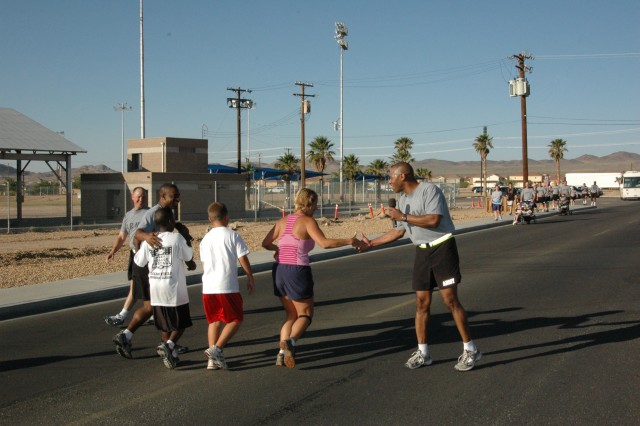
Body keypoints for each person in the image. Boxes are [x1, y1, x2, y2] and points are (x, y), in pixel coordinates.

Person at [358, 162, 482, 372]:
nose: (389, 182)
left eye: (391, 177)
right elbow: (399, 232)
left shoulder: (429, 190)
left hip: (442, 247)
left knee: (449, 300)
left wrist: (403, 216)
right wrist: (371, 243)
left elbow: (434, 220)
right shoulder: (402, 199)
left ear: (403, 176)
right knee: (421, 303)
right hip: (422, 252)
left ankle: (471, 349)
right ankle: (423, 353)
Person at [261, 188, 361, 368]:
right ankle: (291, 342)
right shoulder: (307, 221)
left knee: (290, 314)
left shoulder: (283, 221)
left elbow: (265, 243)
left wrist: (278, 250)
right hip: (297, 270)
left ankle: (280, 354)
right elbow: (324, 243)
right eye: (315, 203)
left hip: (279, 270)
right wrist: (349, 241)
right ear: (310, 202)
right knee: (305, 314)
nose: (317, 207)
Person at [113, 183, 195, 359]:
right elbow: (137, 234)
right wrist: (146, 236)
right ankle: (162, 345)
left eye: (178, 195)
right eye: (175, 195)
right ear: (163, 196)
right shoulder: (153, 213)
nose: (178, 199)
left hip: (149, 261)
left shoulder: (167, 211)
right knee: (153, 306)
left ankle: (133, 337)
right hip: (144, 263)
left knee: (154, 307)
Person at [134, 207, 194, 369]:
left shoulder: (150, 240)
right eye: (173, 218)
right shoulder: (176, 239)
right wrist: (185, 236)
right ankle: (168, 345)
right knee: (181, 323)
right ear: (169, 221)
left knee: (165, 324)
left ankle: (171, 355)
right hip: (173, 289)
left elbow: (139, 262)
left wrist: (141, 241)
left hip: (156, 288)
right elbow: (189, 256)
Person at [200, 202, 255, 370]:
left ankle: (212, 360)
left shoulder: (205, 239)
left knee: (214, 321)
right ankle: (216, 349)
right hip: (227, 286)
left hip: (208, 287)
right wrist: (249, 275)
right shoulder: (232, 235)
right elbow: (242, 258)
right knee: (236, 319)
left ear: (210, 219)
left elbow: (204, 264)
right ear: (227, 217)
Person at [104, 187, 148, 327]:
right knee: (138, 286)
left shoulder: (151, 213)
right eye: (139, 197)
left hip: (148, 254)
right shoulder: (128, 216)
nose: (141, 199)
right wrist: (113, 251)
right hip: (134, 254)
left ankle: (122, 315)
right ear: (132, 197)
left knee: (138, 286)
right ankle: (154, 311)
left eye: (144, 197)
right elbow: (122, 236)